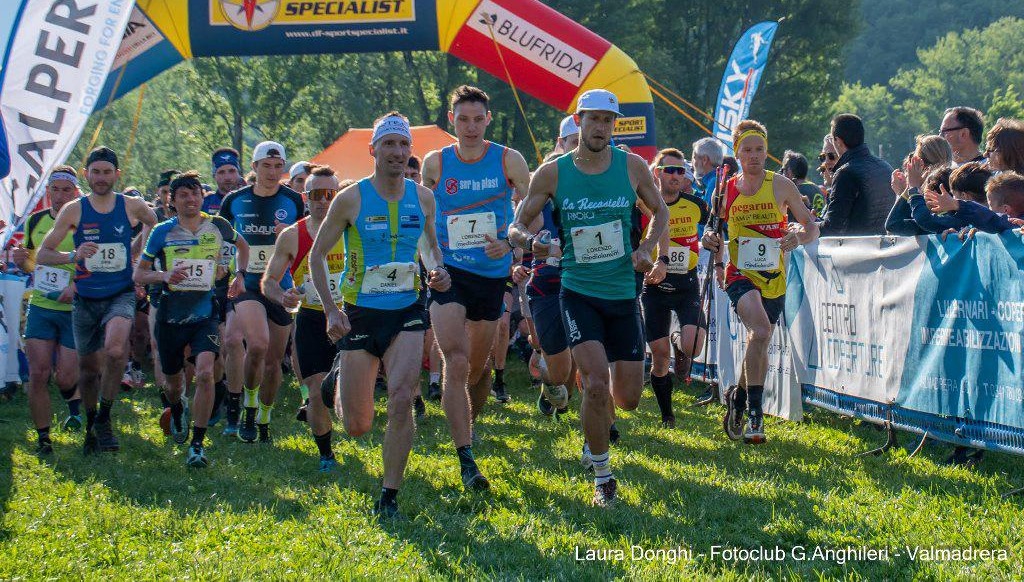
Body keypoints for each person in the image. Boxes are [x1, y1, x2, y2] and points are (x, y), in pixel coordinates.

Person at [510, 89, 669, 507]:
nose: (601, 127)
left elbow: (661, 212)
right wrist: (534, 244)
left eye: (608, 120)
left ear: (614, 125)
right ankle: (602, 475)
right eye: (593, 119)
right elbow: (516, 227)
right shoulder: (554, 172)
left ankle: (594, 430)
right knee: (595, 383)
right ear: (578, 121)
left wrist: (646, 249)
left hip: (622, 293)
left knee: (629, 398)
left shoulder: (632, 166)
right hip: (577, 292)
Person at [310, 112, 450, 519]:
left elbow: (429, 247)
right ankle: (337, 379)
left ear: (411, 152)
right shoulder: (351, 199)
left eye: (403, 145)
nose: (396, 152)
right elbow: (318, 256)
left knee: (403, 397)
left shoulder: (423, 197)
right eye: (388, 145)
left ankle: (389, 495)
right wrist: (332, 311)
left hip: (407, 307)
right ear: (373, 150)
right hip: (360, 312)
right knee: (357, 426)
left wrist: (437, 270)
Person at [421, 86, 530, 466]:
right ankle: (463, 451)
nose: (470, 127)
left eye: (477, 119)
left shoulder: (508, 160)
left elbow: (529, 211)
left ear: (488, 119)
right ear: (452, 119)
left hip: (491, 274)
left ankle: (469, 422)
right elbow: (423, 219)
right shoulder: (435, 163)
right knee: (457, 359)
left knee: (480, 367)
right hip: (451, 271)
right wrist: (431, 264)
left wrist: (511, 244)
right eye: (462, 119)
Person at [700, 120, 819, 445]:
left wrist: (798, 237)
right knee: (763, 332)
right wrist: (712, 242)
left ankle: (737, 400)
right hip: (739, 274)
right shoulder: (725, 190)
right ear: (737, 153)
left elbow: (811, 228)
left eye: (760, 150)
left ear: (767, 153)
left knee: (758, 339)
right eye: (748, 151)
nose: (754, 156)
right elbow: (714, 230)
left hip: (774, 277)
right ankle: (755, 417)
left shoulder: (781, 185)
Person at [36, 146, 158, 453]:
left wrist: (137, 251)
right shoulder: (74, 209)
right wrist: (73, 254)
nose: (101, 178)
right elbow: (44, 254)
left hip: (120, 292)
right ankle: (92, 422)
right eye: (96, 172)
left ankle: (105, 416)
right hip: (86, 298)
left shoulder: (131, 205)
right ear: (87, 174)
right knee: (88, 369)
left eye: (107, 172)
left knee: (116, 350)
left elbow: (153, 220)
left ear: (117, 175)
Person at [134, 171, 247, 466]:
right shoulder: (162, 231)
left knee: (206, 373)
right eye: (183, 195)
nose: (191, 199)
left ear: (201, 196)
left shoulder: (218, 225)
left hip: (204, 313)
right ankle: (178, 407)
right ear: (172, 200)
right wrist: (164, 275)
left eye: (195, 193)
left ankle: (197, 445)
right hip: (171, 315)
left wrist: (238, 274)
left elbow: (243, 247)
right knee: (173, 384)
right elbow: (139, 273)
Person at [262, 168, 349, 472]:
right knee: (314, 392)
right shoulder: (292, 236)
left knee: (347, 397)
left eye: (330, 194)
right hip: (312, 319)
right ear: (305, 198)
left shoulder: (353, 229)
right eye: (316, 195)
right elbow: (269, 281)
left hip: (351, 317)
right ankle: (326, 455)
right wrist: (282, 296)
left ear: (339, 196)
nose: (324, 201)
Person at [219, 141, 306, 443]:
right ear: (254, 168)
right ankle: (247, 405)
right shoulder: (234, 200)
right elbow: (221, 239)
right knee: (256, 344)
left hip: (281, 287)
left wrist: (290, 236)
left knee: (273, 360)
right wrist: (223, 271)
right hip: (248, 284)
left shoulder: (294, 200)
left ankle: (264, 417)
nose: (272, 172)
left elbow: (307, 240)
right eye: (265, 166)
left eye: (278, 166)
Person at [14, 166, 82, 454]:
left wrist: (76, 287)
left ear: (76, 192)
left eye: (67, 190)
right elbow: (33, 263)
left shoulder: (84, 221)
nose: (60, 195)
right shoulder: (35, 222)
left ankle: (75, 406)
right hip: (42, 304)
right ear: (48, 192)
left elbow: (99, 265)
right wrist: (21, 262)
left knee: (65, 376)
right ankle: (44, 438)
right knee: (38, 373)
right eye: (56, 189)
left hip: (73, 307)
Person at [642, 148, 709, 428]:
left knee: (693, 346)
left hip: (686, 282)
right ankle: (667, 414)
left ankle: (677, 341)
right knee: (659, 358)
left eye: (681, 171)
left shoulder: (696, 205)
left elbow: (715, 228)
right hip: (654, 285)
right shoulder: (642, 205)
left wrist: (714, 237)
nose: (676, 176)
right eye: (670, 170)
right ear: (657, 173)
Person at [819, 114, 894, 236]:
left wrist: (808, 228)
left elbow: (833, 227)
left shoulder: (845, 173)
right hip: (888, 248)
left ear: (838, 141)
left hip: (858, 250)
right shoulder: (885, 166)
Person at [885, 135, 953, 235]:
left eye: (914, 162)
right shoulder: (954, 184)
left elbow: (893, 226)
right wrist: (904, 192)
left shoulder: (933, 196)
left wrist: (911, 189)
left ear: (922, 166)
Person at [780, 150, 825, 215]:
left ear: (789, 171)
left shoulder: (791, 191)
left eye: (782, 170)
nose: (781, 174)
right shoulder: (817, 189)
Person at [692, 137, 725, 205]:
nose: (693, 164)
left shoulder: (714, 182)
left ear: (704, 160)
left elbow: (707, 213)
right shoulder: (718, 178)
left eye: (695, 158)